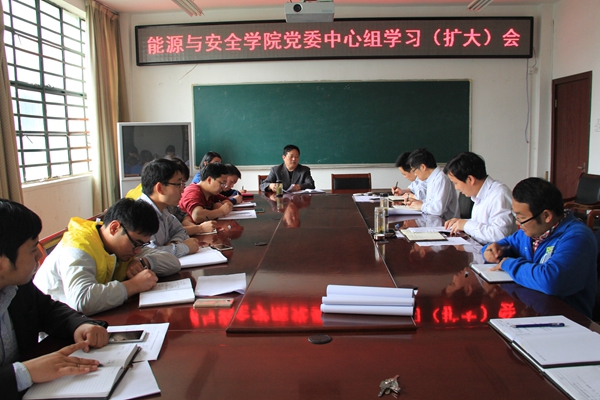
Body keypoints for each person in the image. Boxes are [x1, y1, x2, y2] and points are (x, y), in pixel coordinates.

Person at [0, 199, 109, 399]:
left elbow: (48, 310)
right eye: (33, 249)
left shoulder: (17, 286)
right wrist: (25, 372)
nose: (38, 256)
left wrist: (80, 325)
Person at [34, 198, 175, 315]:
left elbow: (173, 262)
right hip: (57, 327)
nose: (138, 251)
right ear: (114, 228)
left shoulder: (124, 245)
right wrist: (133, 285)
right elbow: (82, 300)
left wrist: (144, 262)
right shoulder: (79, 247)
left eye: (142, 245)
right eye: (136, 244)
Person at [482, 178, 598, 318]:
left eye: (521, 218)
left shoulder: (577, 238)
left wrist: (508, 263)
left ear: (546, 216)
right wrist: (490, 250)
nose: (518, 224)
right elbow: (502, 244)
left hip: (567, 319)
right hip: (532, 310)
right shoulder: (530, 233)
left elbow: (551, 281)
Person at [442, 152, 516, 243]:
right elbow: (483, 223)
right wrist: (460, 223)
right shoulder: (479, 194)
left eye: (456, 183)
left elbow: (500, 235)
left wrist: (466, 225)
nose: (456, 188)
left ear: (470, 179)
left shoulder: (499, 194)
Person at [138, 158, 201, 260]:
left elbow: (180, 230)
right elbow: (148, 255)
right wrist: (184, 247)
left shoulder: (163, 209)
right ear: (160, 188)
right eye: (178, 184)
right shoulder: (140, 215)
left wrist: (174, 243)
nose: (183, 190)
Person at [404, 148, 458, 220]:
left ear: (423, 167)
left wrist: (421, 206)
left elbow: (438, 210)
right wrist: (418, 202)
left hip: (445, 223)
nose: (415, 174)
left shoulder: (441, 179)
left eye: (414, 170)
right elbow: (431, 202)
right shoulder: (432, 179)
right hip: (434, 221)